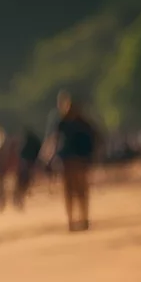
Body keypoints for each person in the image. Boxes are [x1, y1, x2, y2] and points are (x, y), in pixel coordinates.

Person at [44, 91, 100, 231]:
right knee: (69, 191)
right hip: (67, 161)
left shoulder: (82, 123)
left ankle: (84, 218)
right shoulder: (61, 123)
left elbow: (95, 139)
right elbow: (54, 140)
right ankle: (71, 220)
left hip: (79, 160)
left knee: (81, 191)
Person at [16, 128, 42, 202]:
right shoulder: (33, 142)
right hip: (29, 160)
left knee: (29, 174)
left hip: (30, 160)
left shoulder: (28, 142)